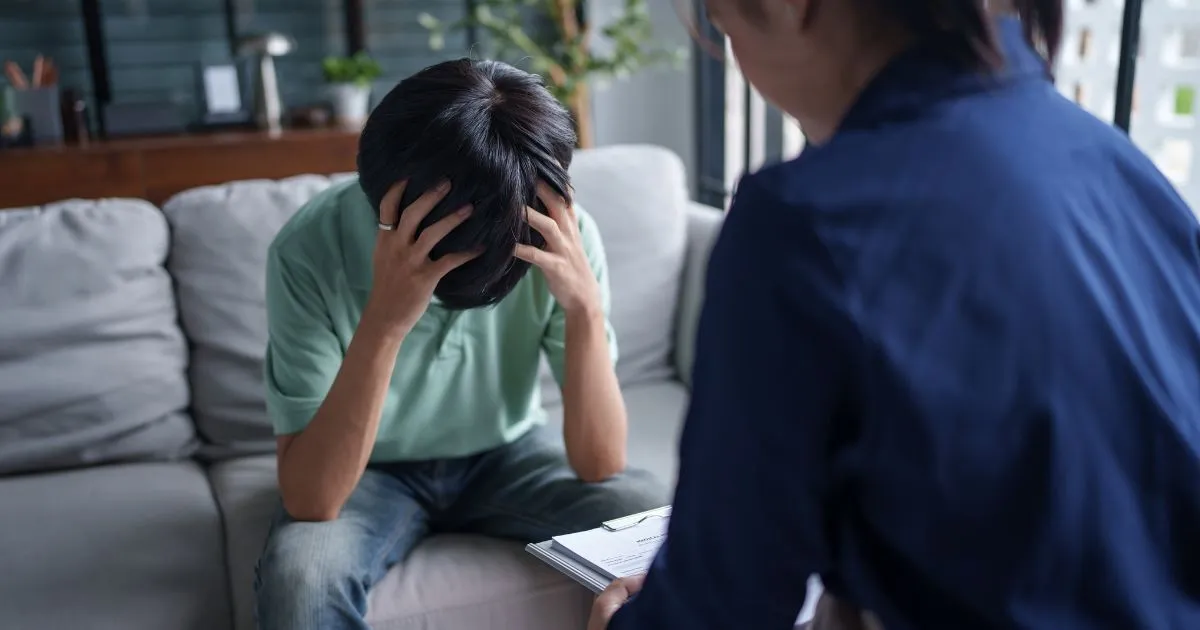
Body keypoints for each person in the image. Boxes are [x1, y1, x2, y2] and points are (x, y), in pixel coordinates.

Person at [590, 0, 1200, 629]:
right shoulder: (1116, 162)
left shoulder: (805, 224)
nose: (735, 57)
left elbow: (719, 609)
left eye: (721, 22)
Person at [253, 58, 667, 630]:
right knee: (302, 574)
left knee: (651, 517)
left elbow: (601, 465)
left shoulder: (556, 234)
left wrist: (584, 307)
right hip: (370, 470)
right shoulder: (308, 249)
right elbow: (311, 501)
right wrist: (386, 320)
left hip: (506, 455)